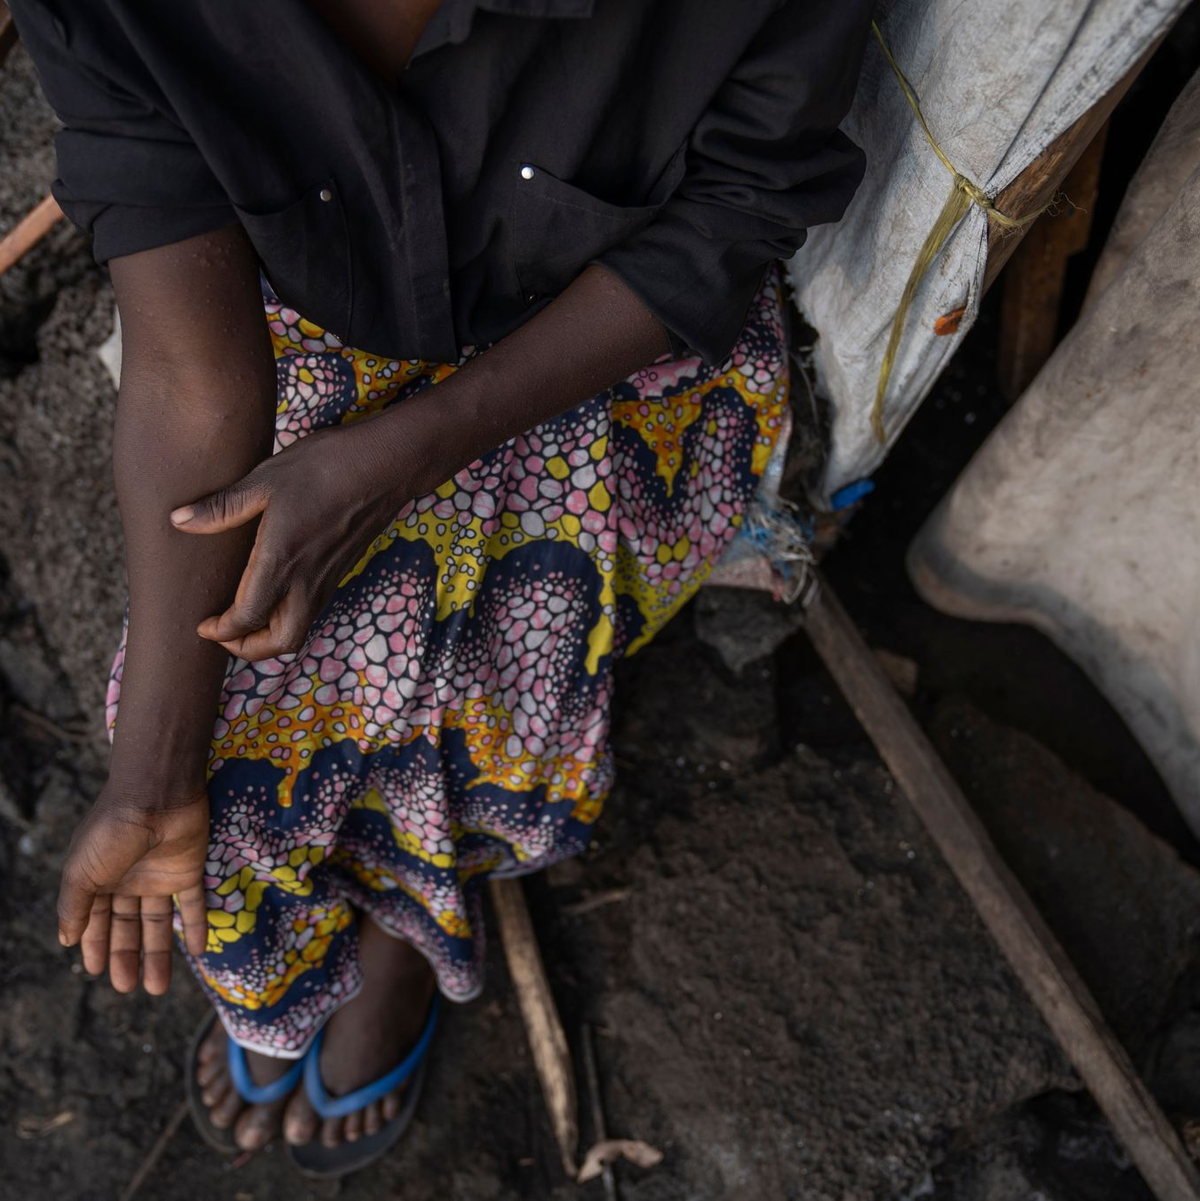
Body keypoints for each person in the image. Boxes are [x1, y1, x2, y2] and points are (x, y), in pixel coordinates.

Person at [10, 0, 873, 1178]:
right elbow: (194, 373)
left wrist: (417, 451)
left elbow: (734, 212)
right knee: (215, 758)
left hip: (615, 355)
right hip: (301, 330)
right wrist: (153, 771)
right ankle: (333, 916)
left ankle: (407, 924)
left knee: (502, 682)